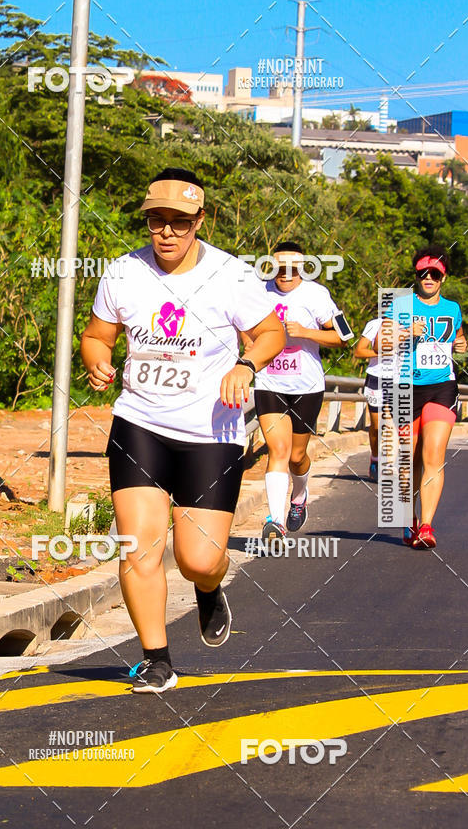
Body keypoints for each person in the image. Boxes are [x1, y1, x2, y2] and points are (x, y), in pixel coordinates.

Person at [80, 167, 284, 692]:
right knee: (138, 547)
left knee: (198, 559)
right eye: (156, 221)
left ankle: (209, 589)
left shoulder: (230, 275)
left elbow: (270, 332)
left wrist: (246, 366)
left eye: (179, 222)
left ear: (199, 221)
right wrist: (97, 358)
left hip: (209, 434)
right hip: (139, 422)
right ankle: (156, 659)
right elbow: (97, 334)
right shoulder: (124, 272)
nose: (166, 232)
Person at [243, 241, 349, 544]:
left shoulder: (316, 295)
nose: (286, 273)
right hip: (269, 383)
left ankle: (300, 494)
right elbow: (238, 320)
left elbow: (344, 336)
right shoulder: (259, 292)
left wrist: (306, 332)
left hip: (307, 386)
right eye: (280, 267)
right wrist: (249, 342)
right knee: (277, 450)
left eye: (293, 267)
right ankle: (274, 523)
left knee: (297, 456)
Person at [376, 246, 467, 549]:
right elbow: (379, 342)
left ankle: (426, 526)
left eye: (435, 273)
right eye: (422, 273)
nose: (428, 278)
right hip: (406, 389)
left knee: (433, 456)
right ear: (416, 275)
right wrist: (403, 333)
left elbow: (456, 336)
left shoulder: (453, 308)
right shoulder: (401, 304)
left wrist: (462, 343)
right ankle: (409, 518)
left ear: (444, 277)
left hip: (442, 386)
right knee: (408, 463)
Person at [354, 316, 384, 482]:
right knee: (377, 425)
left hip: (402, 379)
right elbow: (359, 351)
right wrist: (382, 352)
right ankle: (375, 457)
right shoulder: (375, 324)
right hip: (377, 377)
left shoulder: (413, 325)